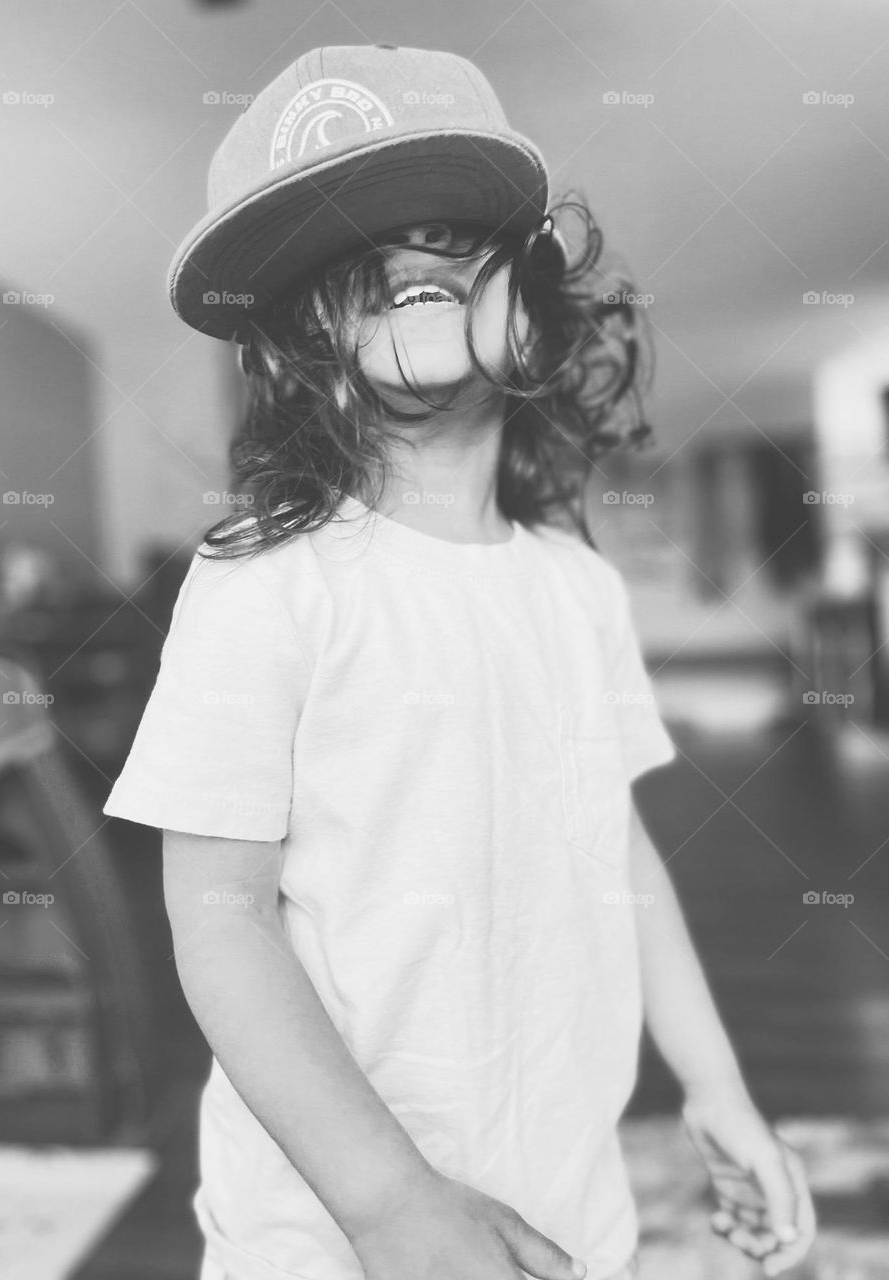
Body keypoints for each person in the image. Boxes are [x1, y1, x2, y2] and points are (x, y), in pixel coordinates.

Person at [102, 43, 816, 1280]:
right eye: (345, 255)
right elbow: (219, 912)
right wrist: (388, 1201)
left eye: (445, 227)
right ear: (283, 351)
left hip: (565, 1194)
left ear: (531, 302)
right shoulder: (266, 583)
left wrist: (716, 1085)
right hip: (327, 1232)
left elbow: (622, 853)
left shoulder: (578, 588)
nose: (404, 260)